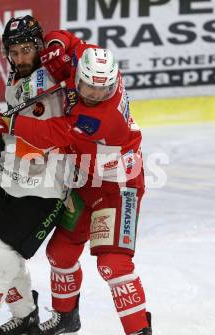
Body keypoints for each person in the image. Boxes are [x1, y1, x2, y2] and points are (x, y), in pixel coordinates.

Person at [11, 30, 153, 335]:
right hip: (84, 180)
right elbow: (67, 38)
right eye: (89, 87)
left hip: (118, 187)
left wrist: (8, 122)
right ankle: (66, 317)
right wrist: (56, 46)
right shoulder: (91, 59)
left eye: (103, 90)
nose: (94, 95)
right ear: (82, 75)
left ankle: (139, 330)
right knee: (60, 253)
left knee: (113, 264)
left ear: (114, 83)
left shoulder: (101, 117)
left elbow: (51, 134)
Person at [0, 16, 73, 335]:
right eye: (14, 51)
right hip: (10, 183)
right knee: (0, 250)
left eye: (26, 50)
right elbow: (15, 127)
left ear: (39, 48)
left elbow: (46, 145)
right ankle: (25, 317)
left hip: (43, 190)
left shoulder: (49, 86)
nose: (20, 58)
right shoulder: (18, 77)